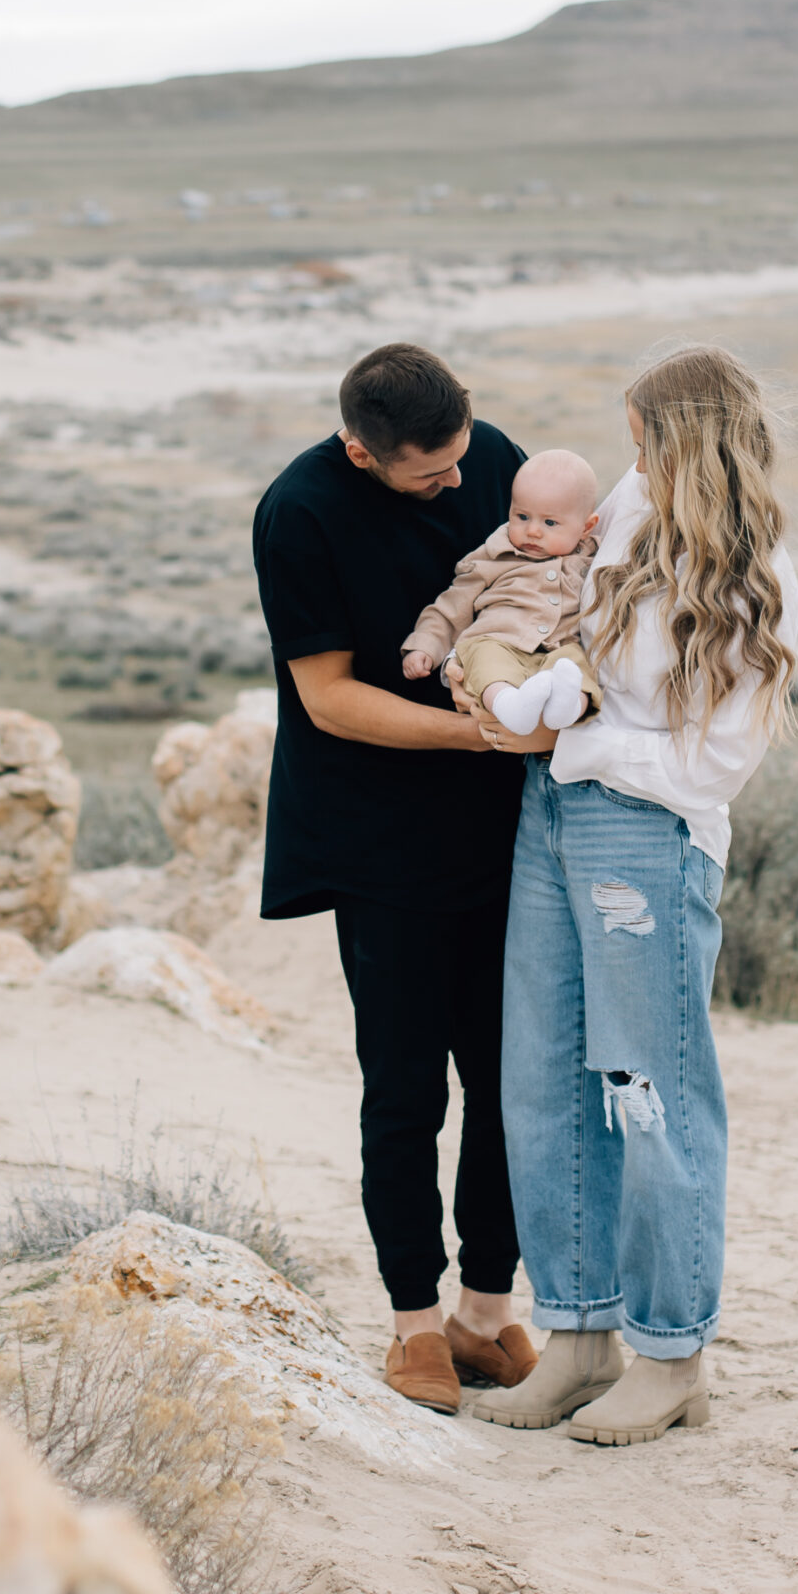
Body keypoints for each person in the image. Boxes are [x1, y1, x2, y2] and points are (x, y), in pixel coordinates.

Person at [463, 345, 798, 1446]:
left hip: (645, 835)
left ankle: (670, 1352)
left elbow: (716, 766)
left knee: (646, 1088)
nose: (631, 456)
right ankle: (574, 1335)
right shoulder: (627, 505)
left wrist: (587, 738)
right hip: (549, 810)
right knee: (544, 1073)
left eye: (642, 435)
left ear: (680, 440)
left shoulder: (758, 578)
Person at [251, 342, 537, 1416]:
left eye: (462, 461)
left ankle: (483, 1313)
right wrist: (479, 739)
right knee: (405, 1090)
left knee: (508, 1085)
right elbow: (326, 697)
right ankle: (413, 1325)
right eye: (429, 476)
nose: (458, 487)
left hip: (505, 840)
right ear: (360, 454)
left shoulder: (489, 460)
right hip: (378, 844)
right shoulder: (299, 514)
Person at [401, 448, 603, 737]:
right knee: (486, 661)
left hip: (556, 647)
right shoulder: (493, 556)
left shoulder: (592, 562)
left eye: (549, 523)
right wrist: (425, 643)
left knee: (575, 667)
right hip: (497, 640)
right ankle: (510, 707)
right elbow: (451, 605)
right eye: (521, 516)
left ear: (586, 527)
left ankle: (568, 708)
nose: (532, 531)